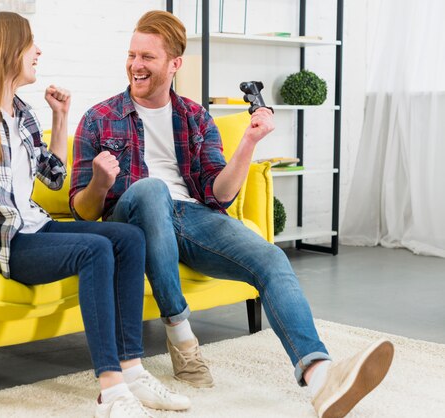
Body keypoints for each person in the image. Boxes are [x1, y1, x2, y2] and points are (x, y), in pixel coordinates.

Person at [70, 10, 394, 418]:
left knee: (271, 259)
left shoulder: (194, 116)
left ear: (174, 64)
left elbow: (218, 194)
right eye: (132, 55)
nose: (136, 65)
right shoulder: (99, 118)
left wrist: (249, 143)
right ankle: (180, 332)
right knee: (151, 190)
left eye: (148, 57)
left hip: (190, 217)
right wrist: (100, 181)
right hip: (129, 221)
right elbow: (83, 211)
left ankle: (320, 375)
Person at [0, 11, 190, 418]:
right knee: (95, 251)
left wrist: (59, 117)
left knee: (129, 238)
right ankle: (110, 390)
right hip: (10, 244)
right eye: (29, 43)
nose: (37, 51)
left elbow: (54, 177)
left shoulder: (21, 112)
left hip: (37, 226)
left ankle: (133, 371)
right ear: (5, 51)